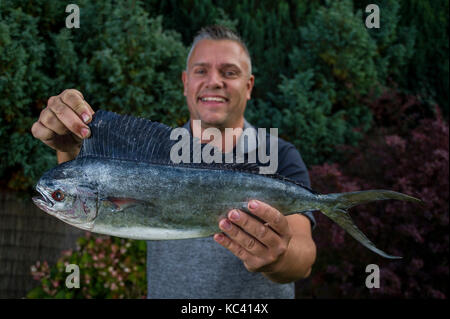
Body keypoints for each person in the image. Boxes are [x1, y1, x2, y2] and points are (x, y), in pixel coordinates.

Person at [31, 25, 316, 298]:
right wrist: (68, 148)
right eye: (201, 70)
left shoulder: (278, 154)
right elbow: (88, 205)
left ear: (249, 85)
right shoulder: (146, 153)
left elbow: (303, 258)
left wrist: (276, 260)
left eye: (229, 72)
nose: (214, 81)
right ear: (185, 82)